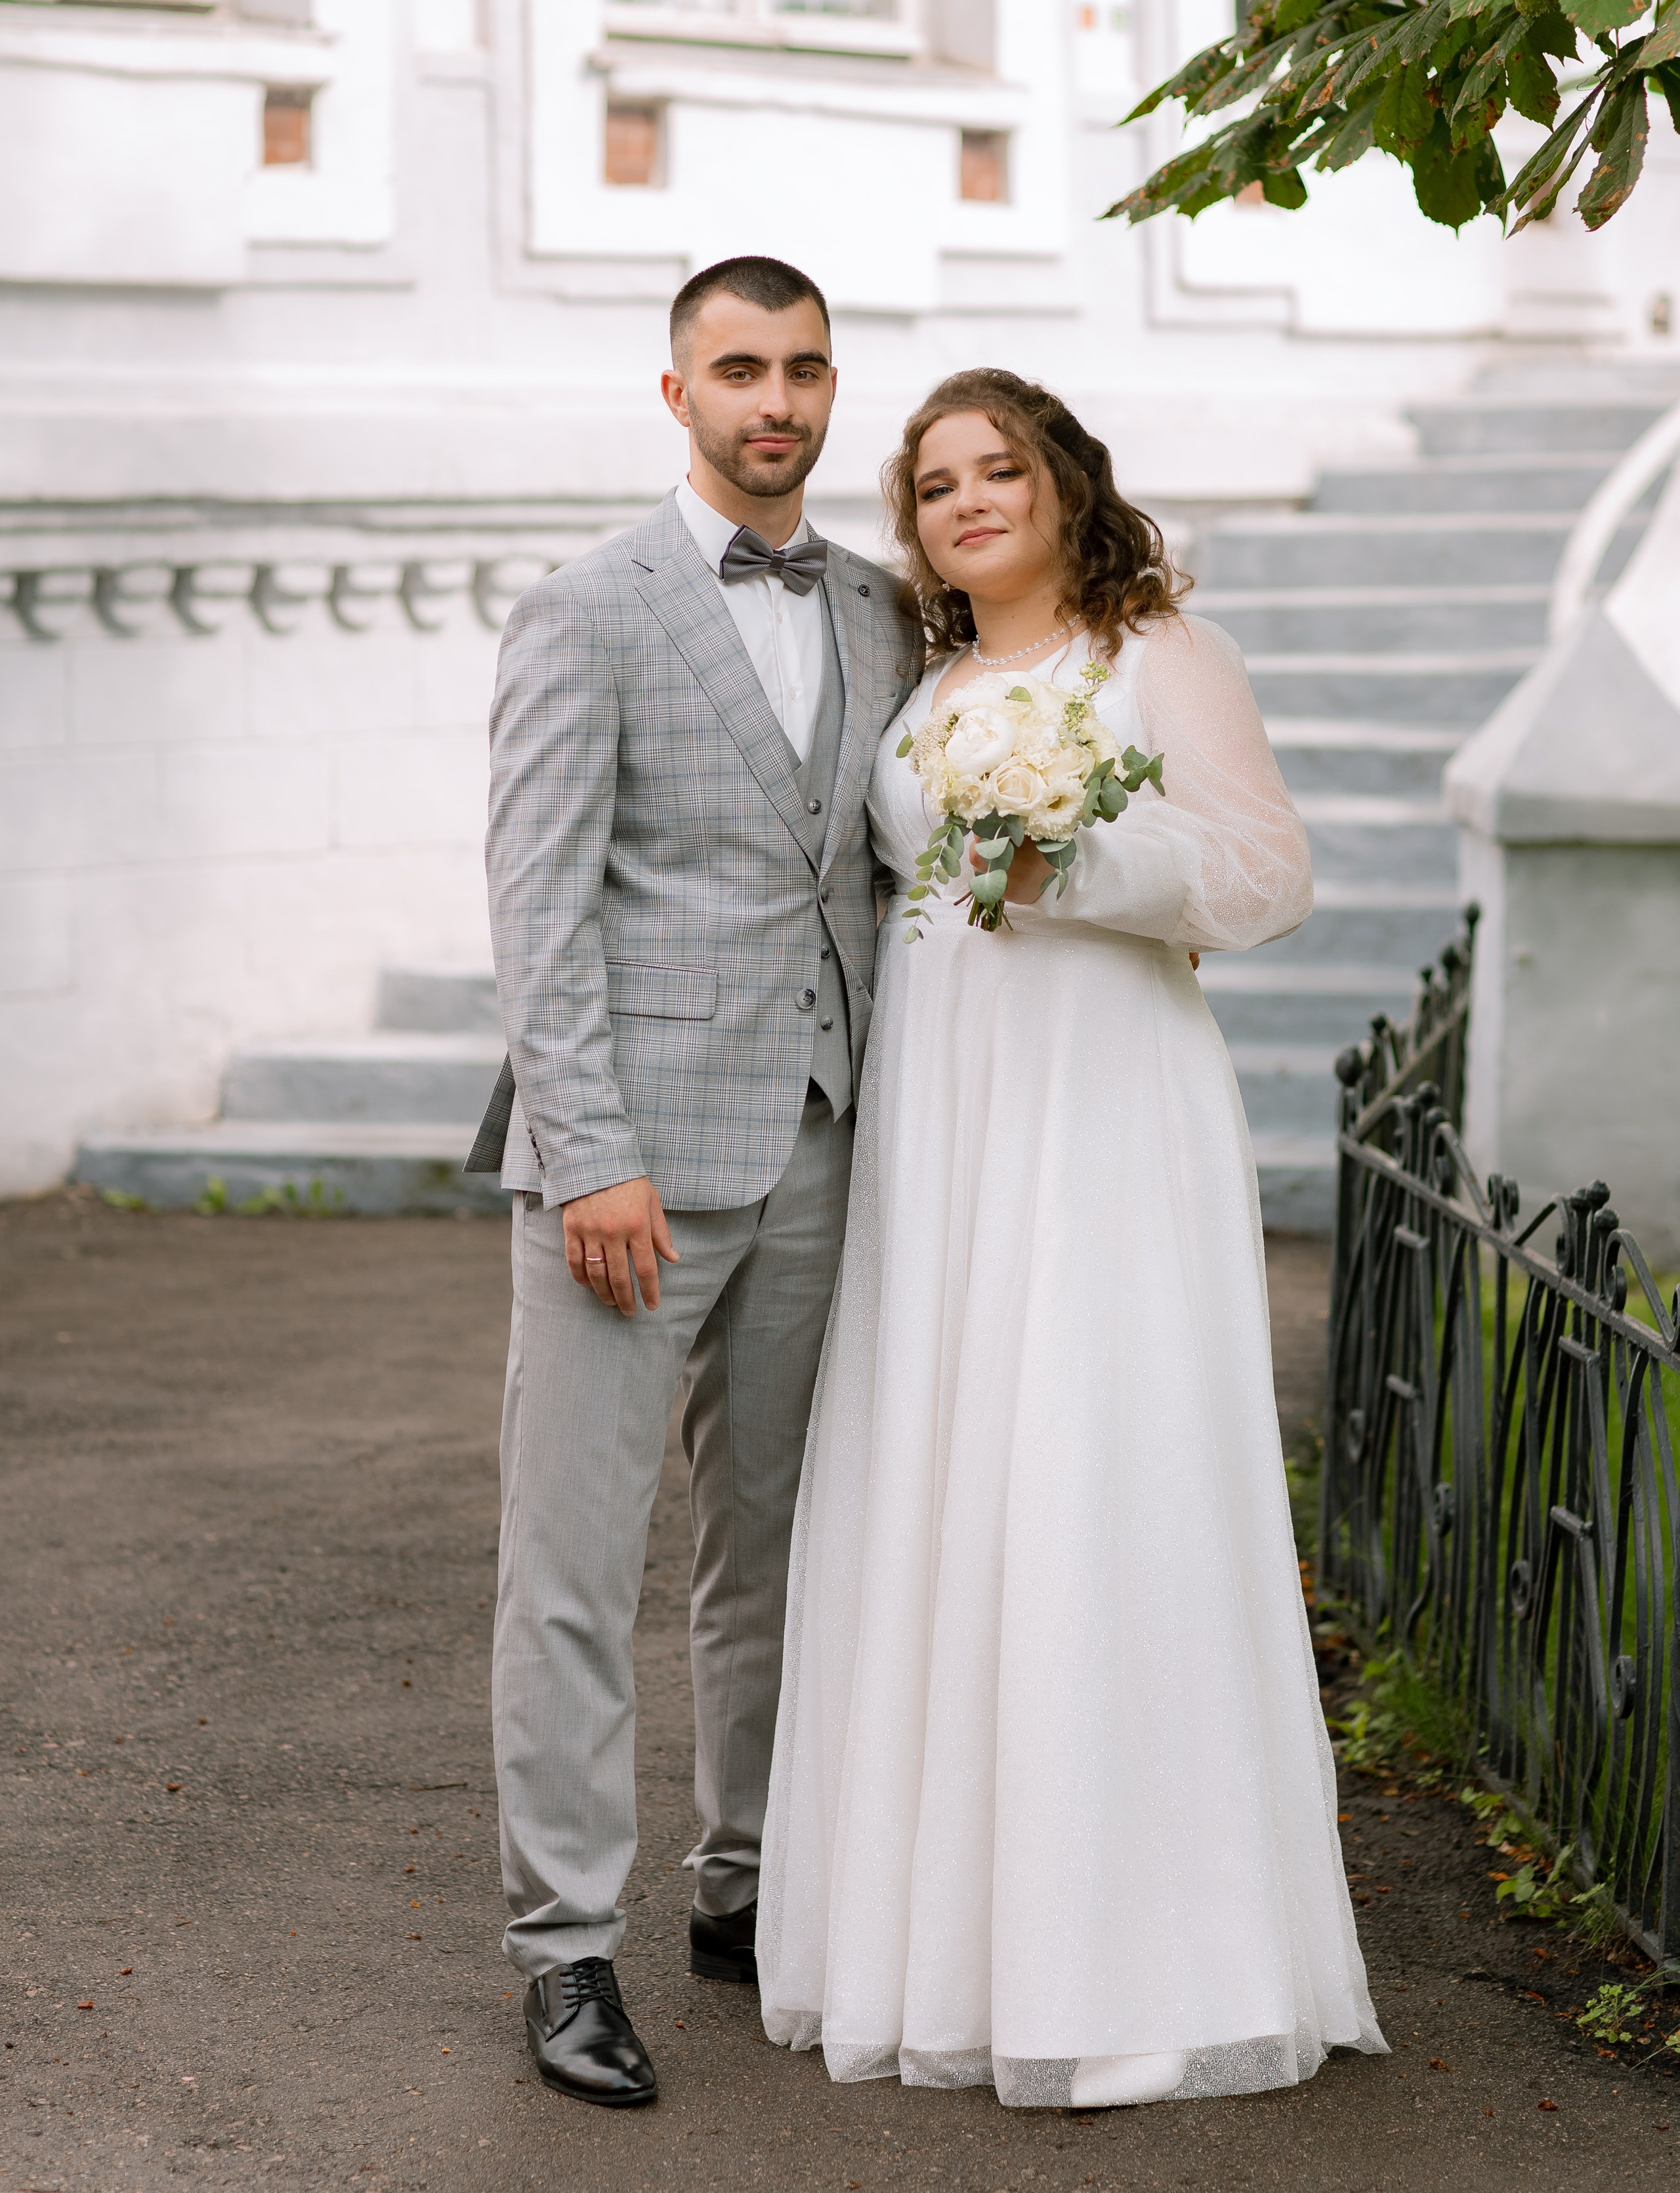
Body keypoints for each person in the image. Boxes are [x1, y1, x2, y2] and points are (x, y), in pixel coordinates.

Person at [758, 367, 1385, 2110]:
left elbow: (1266, 876)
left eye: (1000, 470)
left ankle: (1143, 1962)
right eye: (935, 484)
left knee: (1101, 1471)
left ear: (1062, 486)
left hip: (1105, 1100)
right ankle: (952, 1949)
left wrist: (1079, 862)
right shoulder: (926, 684)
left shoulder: (1160, 650)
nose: (969, 501)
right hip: (945, 1109)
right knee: (949, 1472)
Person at [466, 256, 923, 2107]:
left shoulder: (884, 606)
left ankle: (747, 1885)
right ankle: (566, 1943)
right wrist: (590, 1155)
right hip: (629, 1174)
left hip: (826, 1138)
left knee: (782, 1543)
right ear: (679, 394)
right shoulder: (588, 608)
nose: (776, 402)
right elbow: (539, 906)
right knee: (574, 1567)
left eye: (804, 369)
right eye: (740, 370)